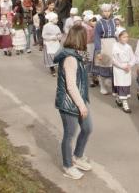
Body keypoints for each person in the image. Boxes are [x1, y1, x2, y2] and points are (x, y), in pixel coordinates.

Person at [53, 24, 93, 180]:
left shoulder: (78, 54)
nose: (89, 37)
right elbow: (70, 86)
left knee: (87, 128)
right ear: (80, 38)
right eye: (87, 35)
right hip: (69, 102)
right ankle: (68, 165)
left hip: (79, 99)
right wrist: (81, 105)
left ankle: (77, 156)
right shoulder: (70, 58)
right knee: (69, 135)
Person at [92, 4, 117, 95]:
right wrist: (98, 51)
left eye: (108, 11)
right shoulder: (99, 23)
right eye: (104, 11)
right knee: (104, 65)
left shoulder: (114, 21)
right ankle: (102, 86)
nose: (106, 13)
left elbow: (117, 33)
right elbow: (97, 37)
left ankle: (115, 88)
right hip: (104, 44)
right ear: (102, 12)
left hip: (113, 44)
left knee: (114, 66)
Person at [112, 27, 137, 113]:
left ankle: (119, 98)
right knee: (120, 84)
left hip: (127, 68)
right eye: (124, 37)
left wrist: (130, 65)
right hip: (119, 68)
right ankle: (125, 103)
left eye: (127, 37)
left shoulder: (128, 47)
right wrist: (122, 67)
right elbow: (113, 60)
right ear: (119, 37)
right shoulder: (114, 47)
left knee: (125, 85)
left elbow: (133, 58)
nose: (126, 39)